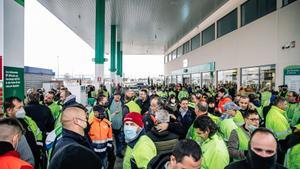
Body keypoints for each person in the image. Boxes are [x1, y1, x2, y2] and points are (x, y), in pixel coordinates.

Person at [48, 104, 101, 169]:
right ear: (77, 121)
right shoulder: (75, 152)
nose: (87, 120)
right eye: (85, 117)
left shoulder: (60, 140)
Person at [109, 91, 125, 158]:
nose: (117, 97)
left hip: (120, 126)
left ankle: (119, 152)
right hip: (110, 126)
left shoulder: (123, 104)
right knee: (110, 141)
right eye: (116, 95)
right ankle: (110, 154)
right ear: (114, 96)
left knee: (119, 140)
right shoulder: (109, 103)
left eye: (119, 95)